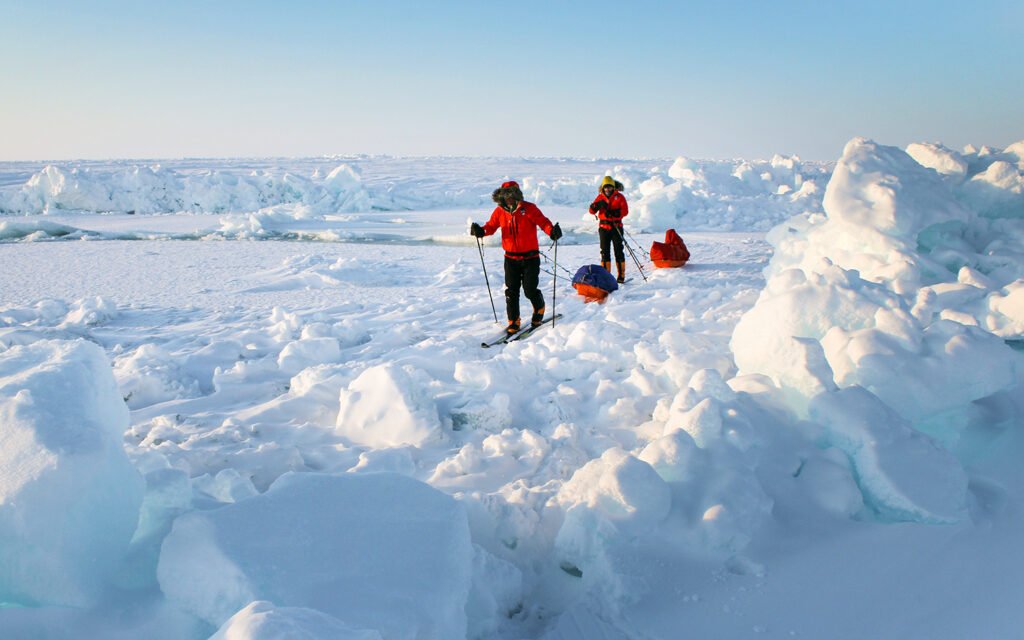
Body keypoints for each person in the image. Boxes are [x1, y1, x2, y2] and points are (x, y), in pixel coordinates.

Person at [471, 181, 562, 335]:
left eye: (511, 195)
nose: (509, 199)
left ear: (517, 195)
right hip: (510, 259)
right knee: (511, 292)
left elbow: (543, 222)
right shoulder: (499, 211)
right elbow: (491, 227)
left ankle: (539, 308)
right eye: (505, 196)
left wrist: (552, 231)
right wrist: (481, 231)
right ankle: (513, 321)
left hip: (530, 258)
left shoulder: (529, 208)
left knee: (529, 290)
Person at [588, 176, 629, 283]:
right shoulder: (600, 197)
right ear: (603, 188)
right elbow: (591, 211)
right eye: (606, 187)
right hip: (603, 228)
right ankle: (606, 278)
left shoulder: (619, 197)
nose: (607, 189)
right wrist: (596, 205)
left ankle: (621, 276)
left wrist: (615, 213)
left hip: (616, 227)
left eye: (610, 187)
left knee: (618, 251)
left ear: (613, 187)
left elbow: (625, 211)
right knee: (604, 252)